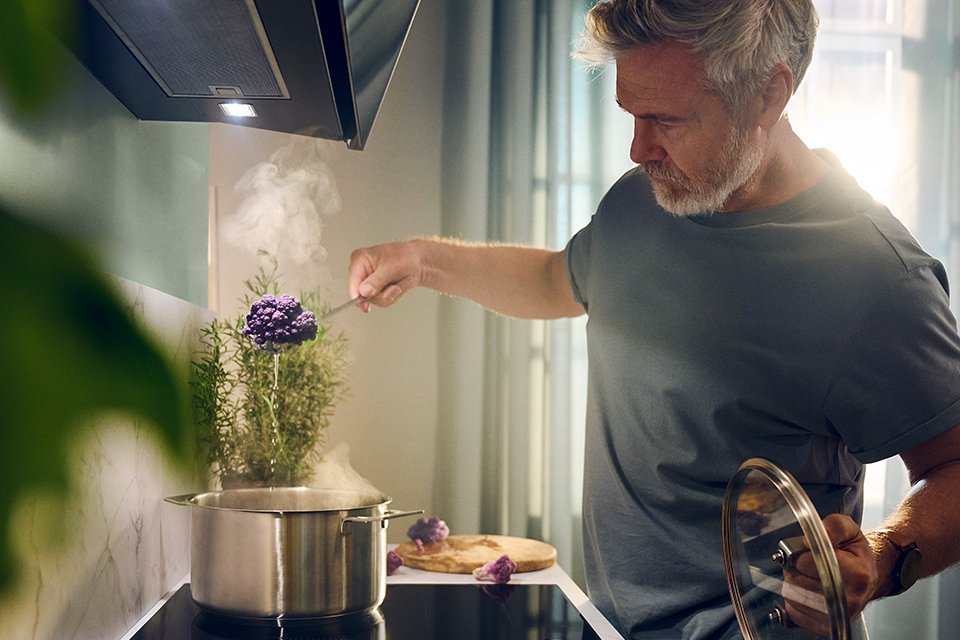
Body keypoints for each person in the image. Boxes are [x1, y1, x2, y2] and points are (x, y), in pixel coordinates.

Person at [347, 1, 960, 638]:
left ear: (768, 95)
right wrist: (421, 261)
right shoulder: (648, 199)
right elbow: (558, 280)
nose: (639, 149)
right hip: (609, 626)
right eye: (631, 114)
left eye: (666, 119)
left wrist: (884, 556)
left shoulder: (877, 276)